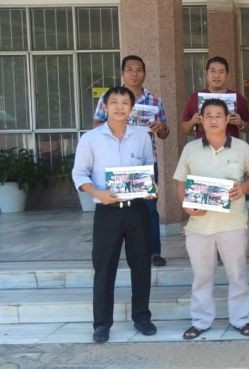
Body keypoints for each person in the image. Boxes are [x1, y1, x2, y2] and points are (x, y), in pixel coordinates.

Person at [73, 86, 157, 343]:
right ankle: (102, 323)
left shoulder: (141, 135)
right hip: (107, 211)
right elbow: (79, 173)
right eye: (114, 102)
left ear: (132, 108)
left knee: (141, 266)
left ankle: (141, 317)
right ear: (105, 107)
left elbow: (147, 167)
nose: (120, 107)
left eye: (124, 102)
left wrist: (150, 187)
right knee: (104, 268)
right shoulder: (91, 138)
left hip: (137, 211)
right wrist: (98, 193)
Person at [173, 99, 249, 340]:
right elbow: (181, 182)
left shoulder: (242, 148)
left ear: (227, 119)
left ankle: (241, 319)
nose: (213, 119)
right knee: (202, 276)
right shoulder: (190, 150)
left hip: (233, 222)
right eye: (208, 115)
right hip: (199, 225)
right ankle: (201, 321)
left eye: (218, 115)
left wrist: (243, 188)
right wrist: (187, 207)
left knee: (237, 274)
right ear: (200, 119)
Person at [93, 55, 170, 267]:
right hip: (116, 162)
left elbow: (165, 132)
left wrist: (161, 128)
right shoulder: (109, 99)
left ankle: (153, 251)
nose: (134, 74)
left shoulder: (155, 102)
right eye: (129, 70)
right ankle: (117, 252)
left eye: (138, 70)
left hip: (145, 162)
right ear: (122, 73)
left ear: (144, 74)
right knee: (116, 208)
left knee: (149, 207)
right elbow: (96, 125)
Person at [179, 56, 249, 139]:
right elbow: (184, 129)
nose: (217, 75)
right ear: (206, 73)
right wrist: (192, 121)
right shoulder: (195, 97)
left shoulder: (238, 98)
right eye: (213, 71)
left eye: (221, 72)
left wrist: (241, 124)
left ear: (227, 75)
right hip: (203, 147)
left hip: (230, 148)